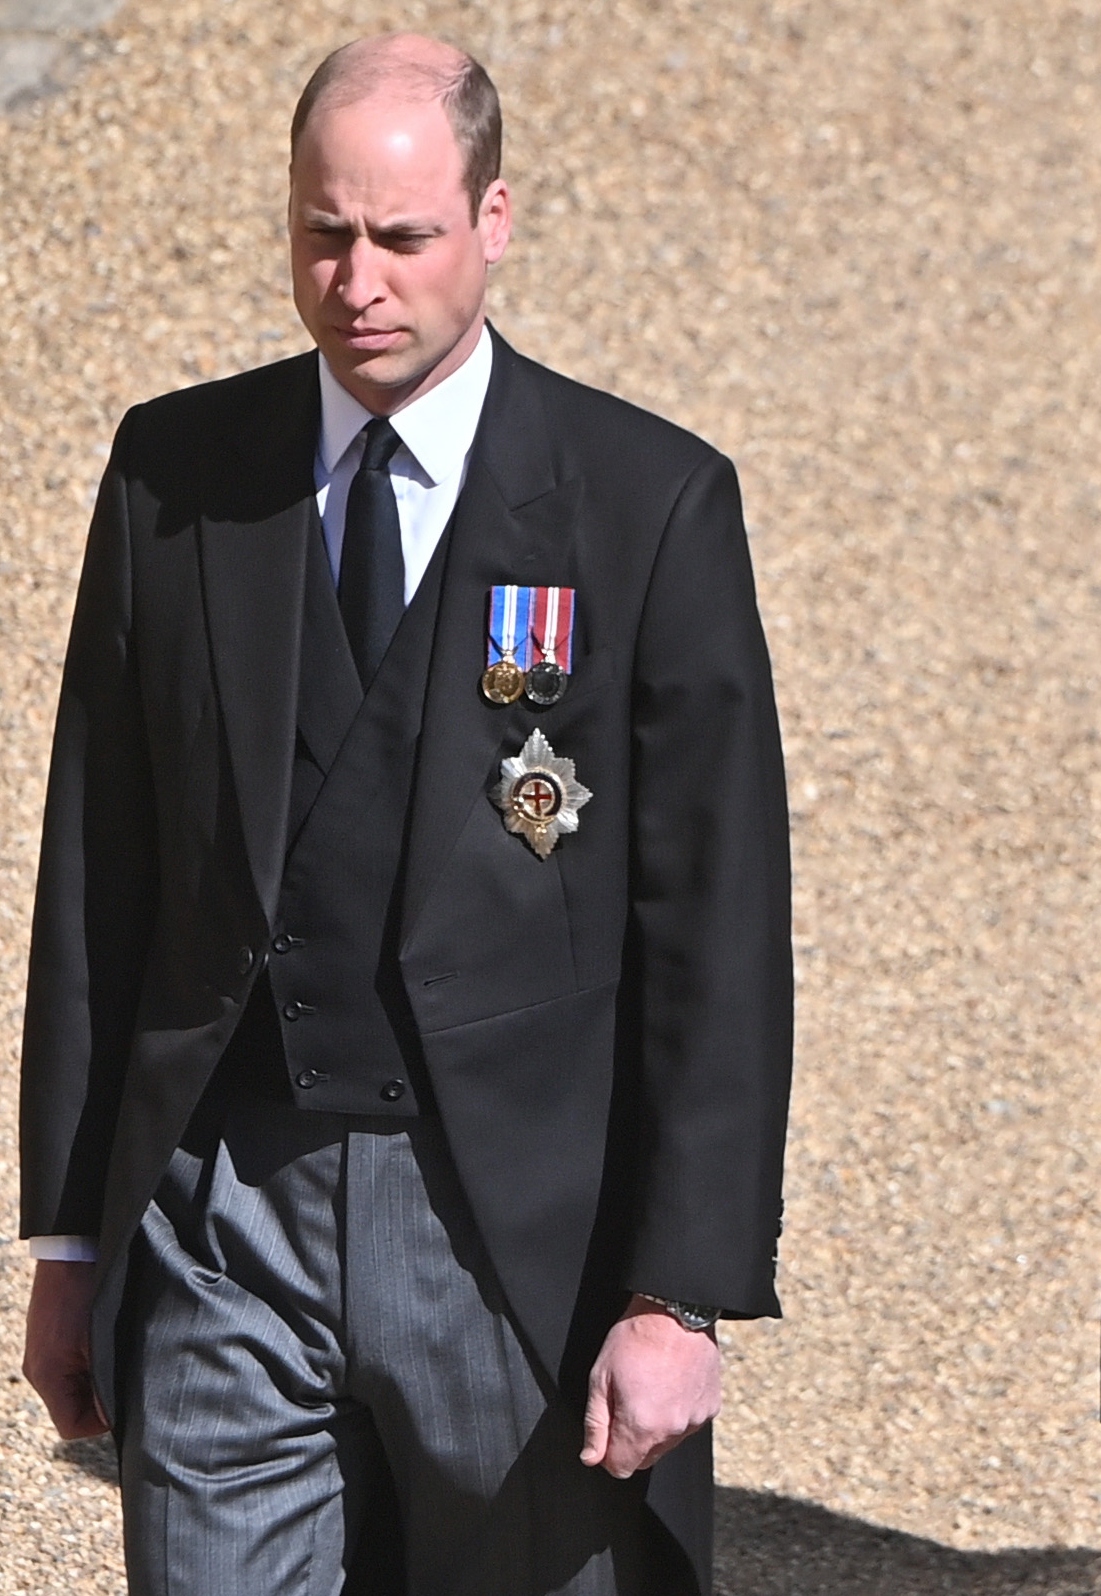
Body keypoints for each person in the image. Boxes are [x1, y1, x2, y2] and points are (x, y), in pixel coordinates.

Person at [15, 35, 793, 1594]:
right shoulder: (174, 477)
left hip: (516, 1244)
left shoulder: (646, 505)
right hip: (225, 1216)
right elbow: (103, 864)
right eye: (324, 233)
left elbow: (715, 922)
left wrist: (677, 1293)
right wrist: (73, 1243)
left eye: (402, 237)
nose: (357, 282)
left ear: (494, 220)